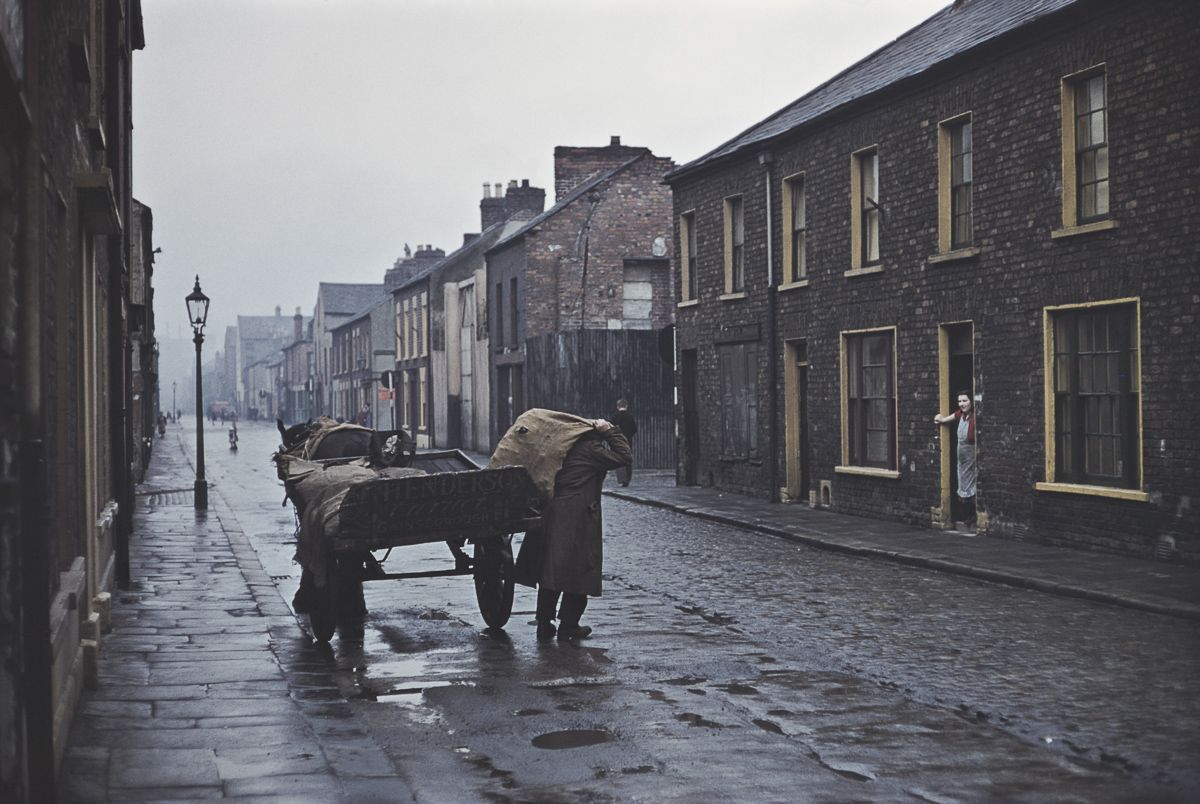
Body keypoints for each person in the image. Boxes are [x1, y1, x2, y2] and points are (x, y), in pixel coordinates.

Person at [528, 418, 631, 641]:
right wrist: (611, 431)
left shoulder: (560, 448)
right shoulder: (590, 450)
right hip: (578, 517)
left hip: (554, 514)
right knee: (581, 570)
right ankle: (569, 624)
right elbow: (624, 456)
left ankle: (544, 624)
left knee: (552, 571)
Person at [934, 391, 977, 527]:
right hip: (962, 461)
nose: (961, 404)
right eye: (959, 401)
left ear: (971, 402)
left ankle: (973, 516)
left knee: (972, 487)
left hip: (972, 460)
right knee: (962, 485)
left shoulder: (975, 418)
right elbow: (952, 417)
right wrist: (942, 419)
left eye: (965, 401)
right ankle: (967, 516)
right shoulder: (961, 415)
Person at [609, 398, 637, 487]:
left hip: (617, 442)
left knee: (619, 459)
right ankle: (628, 479)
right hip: (627, 441)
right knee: (628, 459)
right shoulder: (630, 417)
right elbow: (634, 429)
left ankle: (622, 479)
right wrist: (628, 435)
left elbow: (610, 429)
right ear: (626, 406)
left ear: (617, 407)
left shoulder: (614, 417)